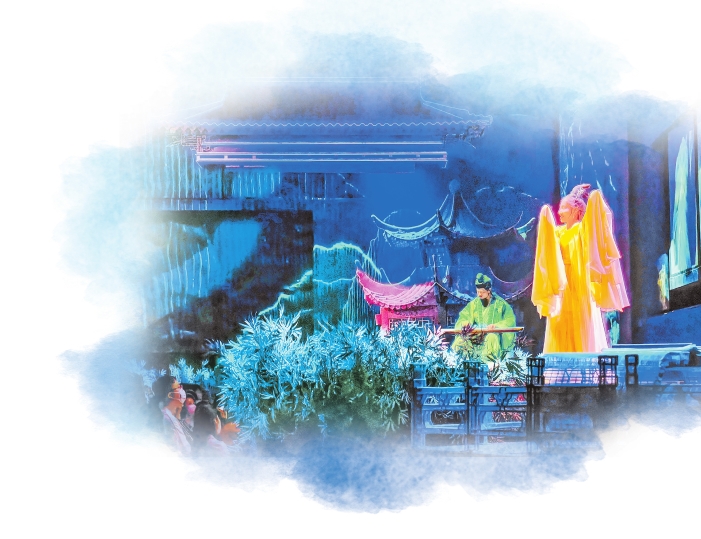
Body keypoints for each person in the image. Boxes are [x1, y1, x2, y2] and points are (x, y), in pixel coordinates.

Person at [531, 184, 629, 353]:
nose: (559, 212)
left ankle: (584, 362)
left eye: (564, 208)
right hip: (562, 285)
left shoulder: (582, 230)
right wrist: (547, 217)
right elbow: (547, 250)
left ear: (575, 211)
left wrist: (590, 198)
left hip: (579, 283)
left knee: (581, 322)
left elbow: (595, 225)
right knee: (560, 321)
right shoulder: (558, 233)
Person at [451, 273, 517, 361]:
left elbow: (510, 320)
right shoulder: (473, 304)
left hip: (493, 337)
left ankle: (490, 365)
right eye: (478, 292)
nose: (479, 295)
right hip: (476, 337)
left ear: (489, 290)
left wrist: (496, 326)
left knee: (491, 338)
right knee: (461, 340)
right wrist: (465, 323)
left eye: (482, 292)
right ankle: (461, 364)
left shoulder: (501, 304)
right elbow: (463, 317)